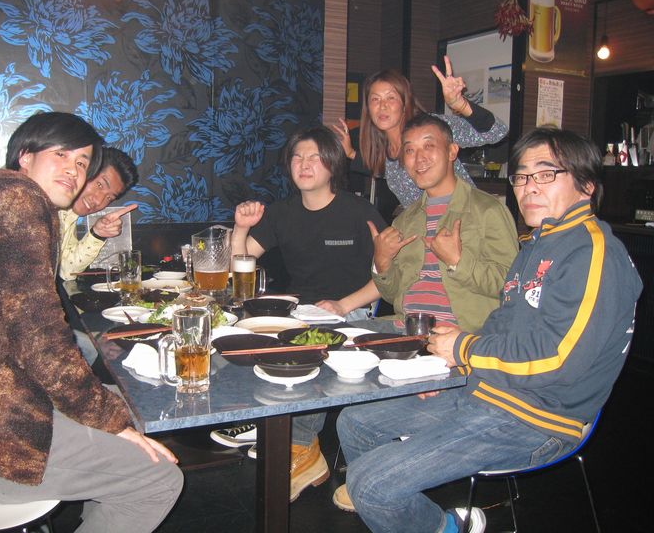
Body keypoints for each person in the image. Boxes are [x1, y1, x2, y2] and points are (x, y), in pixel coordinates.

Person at [333, 128, 642, 533]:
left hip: (537, 416)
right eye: (522, 176)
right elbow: (501, 324)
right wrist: (455, 367)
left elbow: (558, 358)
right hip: (486, 390)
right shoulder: (537, 244)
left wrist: (463, 349)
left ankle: (440, 524)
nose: (529, 187)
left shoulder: (591, 251)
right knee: (354, 422)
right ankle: (401, 513)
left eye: (545, 174)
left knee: (370, 485)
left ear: (586, 185)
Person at [0, 112, 183, 533]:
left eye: (82, 162)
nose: (74, 170)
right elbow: (39, 337)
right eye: (61, 154)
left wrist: (110, 418)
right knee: (157, 480)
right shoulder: (18, 199)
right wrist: (107, 421)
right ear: (25, 156)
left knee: (131, 411)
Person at [220, 125, 386, 501]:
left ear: (333, 164)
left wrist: (343, 304)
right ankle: (266, 422)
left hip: (351, 313)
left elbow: (389, 278)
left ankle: (299, 447)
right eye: (297, 157)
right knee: (236, 336)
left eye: (314, 157)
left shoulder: (358, 211)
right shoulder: (282, 212)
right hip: (299, 313)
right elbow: (238, 266)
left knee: (305, 350)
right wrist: (240, 229)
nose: (304, 164)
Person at [319, 114, 518, 331]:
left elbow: (512, 285)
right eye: (410, 151)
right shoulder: (406, 220)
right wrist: (382, 262)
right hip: (405, 327)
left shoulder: (488, 210)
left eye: (429, 146)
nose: (419, 158)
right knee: (329, 337)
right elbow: (392, 294)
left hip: (459, 334)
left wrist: (457, 262)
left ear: (452, 151)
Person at [332, 56, 508, 212]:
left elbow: (497, 132)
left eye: (391, 97)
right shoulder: (387, 151)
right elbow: (385, 170)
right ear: (368, 109)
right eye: (375, 99)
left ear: (404, 103)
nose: (382, 106)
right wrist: (351, 153)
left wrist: (460, 105)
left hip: (467, 223)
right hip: (429, 232)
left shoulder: (430, 127)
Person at [58, 146, 139, 281]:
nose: (99, 201)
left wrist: (97, 234)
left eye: (109, 198)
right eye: (100, 185)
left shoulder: (69, 214)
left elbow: (66, 271)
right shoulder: (39, 205)